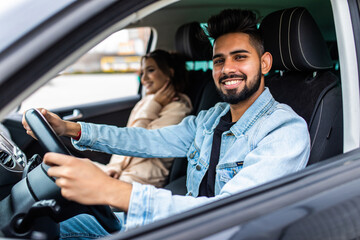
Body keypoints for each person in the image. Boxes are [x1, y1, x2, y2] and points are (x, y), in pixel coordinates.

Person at [22, 9, 310, 238]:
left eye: (240, 57)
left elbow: (231, 214)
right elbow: (147, 139)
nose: (227, 69)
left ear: (265, 63)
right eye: (219, 61)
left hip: (218, 230)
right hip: (185, 222)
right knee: (53, 225)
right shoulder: (211, 118)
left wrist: (113, 191)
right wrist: (72, 129)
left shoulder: (284, 131)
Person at [95, 49, 192, 187]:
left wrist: (155, 105)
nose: (144, 78)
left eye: (150, 70)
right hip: (122, 173)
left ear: (170, 73)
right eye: (142, 72)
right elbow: (124, 138)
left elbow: (137, 141)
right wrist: (114, 166)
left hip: (142, 180)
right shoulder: (146, 101)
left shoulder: (179, 108)